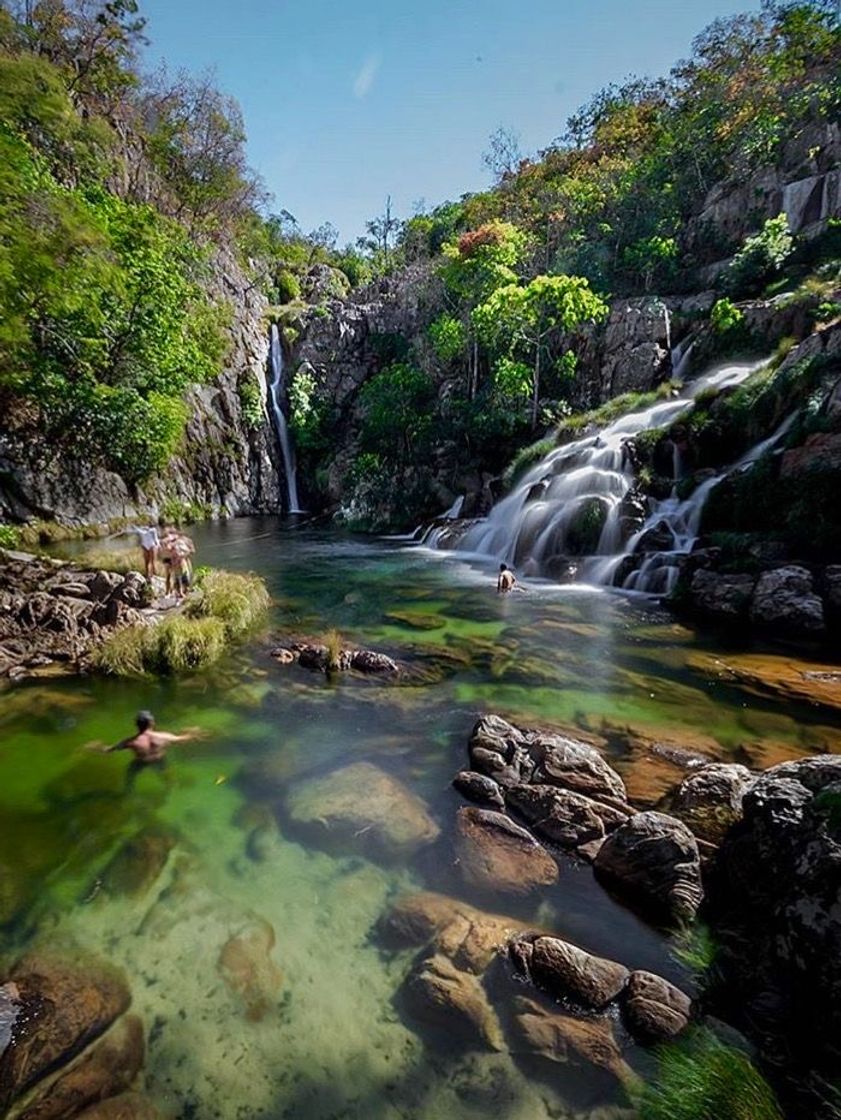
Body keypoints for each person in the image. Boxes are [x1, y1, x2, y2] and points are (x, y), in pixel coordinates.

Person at [93, 710, 203, 790]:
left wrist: (96, 747)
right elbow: (182, 740)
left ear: (137, 725)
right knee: (166, 775)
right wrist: (193, 732)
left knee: (130, 776)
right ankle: (170, 787)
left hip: (140, 762)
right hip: (159, 760)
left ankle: (128, 791)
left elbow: (108, 750)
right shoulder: (163, 737)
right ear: (152, 723)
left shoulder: (130, 742)